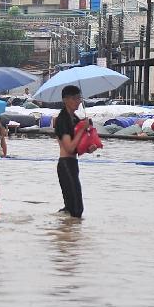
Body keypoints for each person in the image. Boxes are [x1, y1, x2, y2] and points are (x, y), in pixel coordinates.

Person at [54, 85, 95, 218]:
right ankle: (66, 231)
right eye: (75, 98)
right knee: (76, 209)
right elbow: (69, 147)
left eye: (79, 98)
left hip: (73, 164)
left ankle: (66, 231)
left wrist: (89, 148)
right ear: (66, 100)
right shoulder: (62, 120)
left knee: (74, 207)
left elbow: (78, 147)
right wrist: (82, 129)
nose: (78, 102)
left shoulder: (76, 119)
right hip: (65, 164)